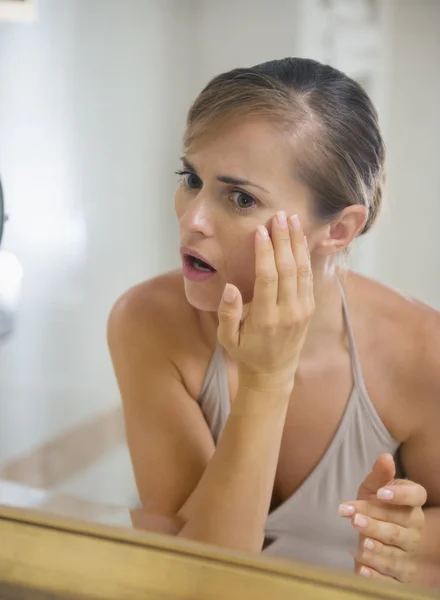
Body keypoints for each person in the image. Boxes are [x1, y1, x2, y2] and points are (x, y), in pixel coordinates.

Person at [108, 58, 440, 584]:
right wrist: (266, 381)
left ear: (338, 230)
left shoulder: (423, 350)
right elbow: (200, 581)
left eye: (241, 198)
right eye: (191, 179)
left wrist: (414, 544)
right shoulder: (148, 322)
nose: (191, 218)